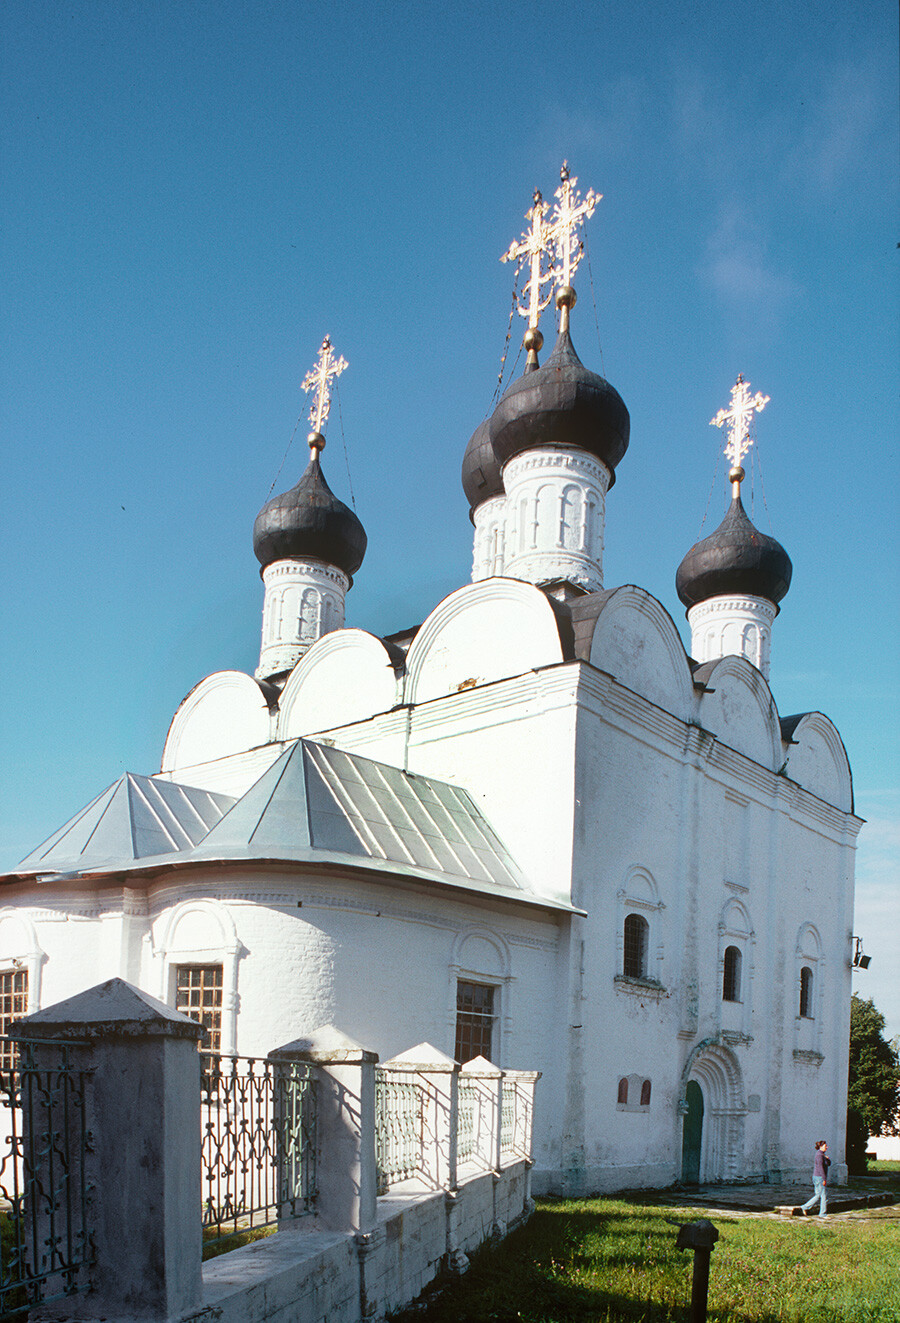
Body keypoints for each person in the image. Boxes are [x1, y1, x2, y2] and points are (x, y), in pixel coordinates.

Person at [800, 1140, 830, 1217]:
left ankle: (805, 1207)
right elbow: (820, 1168)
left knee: (818, 1195)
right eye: (825, 1146)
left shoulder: (822, 1155)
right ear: (821, 1146)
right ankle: (822, 1213)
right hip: (819, 1177)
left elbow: (828, 1164)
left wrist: (827, 1159)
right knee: (824, 1196)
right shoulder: (819, 1155)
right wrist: (824, 1179)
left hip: (817, 1177)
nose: (827, 1147)